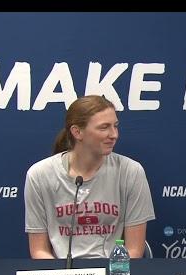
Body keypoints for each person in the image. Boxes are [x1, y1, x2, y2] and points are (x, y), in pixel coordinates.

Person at [24, 95, 155, 259]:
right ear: (77, 132)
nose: (113, 134)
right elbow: (39, 250)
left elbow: (134, 250)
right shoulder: (39, 175)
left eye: (115, 126)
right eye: (104, 128)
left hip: (113, 272)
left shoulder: (131, 171)